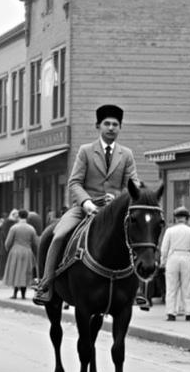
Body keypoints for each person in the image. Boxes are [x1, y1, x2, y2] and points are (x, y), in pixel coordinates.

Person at [35, 103, 139, 303]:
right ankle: (46, 284)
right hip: (85, 208)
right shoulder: (85, 151)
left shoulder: (126, 154)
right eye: (107, 124)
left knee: (136, 238)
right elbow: (74, 182)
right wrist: (87, 203)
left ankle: (136, 290)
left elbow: (132, 183)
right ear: (98, 126)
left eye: (115, 124)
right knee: (58, 236)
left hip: (114, 212)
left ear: (120, 127)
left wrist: (121, 198)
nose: (111, 128)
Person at [160, 206, 190, 321]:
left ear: (176, 218)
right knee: (187, 287)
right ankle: (189, 313)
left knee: (171, 287)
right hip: (186, 256)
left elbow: (164, 248)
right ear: (186, 218)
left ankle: (171, 313)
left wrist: (163, 261)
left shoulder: (170, 231)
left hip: (173, 257)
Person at [3, 209, 39, 299]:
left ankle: (15, 293)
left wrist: (8, 249)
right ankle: (23, 294)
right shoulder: (31, 228)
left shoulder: (14, 228)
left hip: (15, 250)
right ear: (27, 217)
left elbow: (8, 242)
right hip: (27, 250)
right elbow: (36, 242)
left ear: (18, 216)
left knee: (16, 271)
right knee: (25, 272)